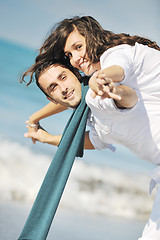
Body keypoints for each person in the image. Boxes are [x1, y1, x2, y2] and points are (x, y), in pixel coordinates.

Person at [22, 58, 160, 240]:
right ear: (50, 98)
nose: (63, 88)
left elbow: (128, 98)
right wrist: (39, 126)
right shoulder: (89, 105)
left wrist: (115, 92)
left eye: (63, 77)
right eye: (53, 87)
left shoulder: (99, 94)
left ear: (78, 74)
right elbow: (97, 140)